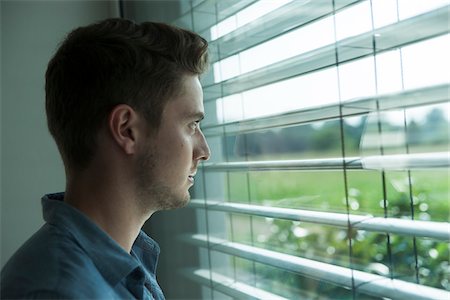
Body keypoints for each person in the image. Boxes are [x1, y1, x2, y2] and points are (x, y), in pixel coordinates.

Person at [0, 18, 210, 299]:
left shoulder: (127, 260)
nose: (204, 151)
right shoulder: (58, 291)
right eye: (191, 125)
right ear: (127, 130)